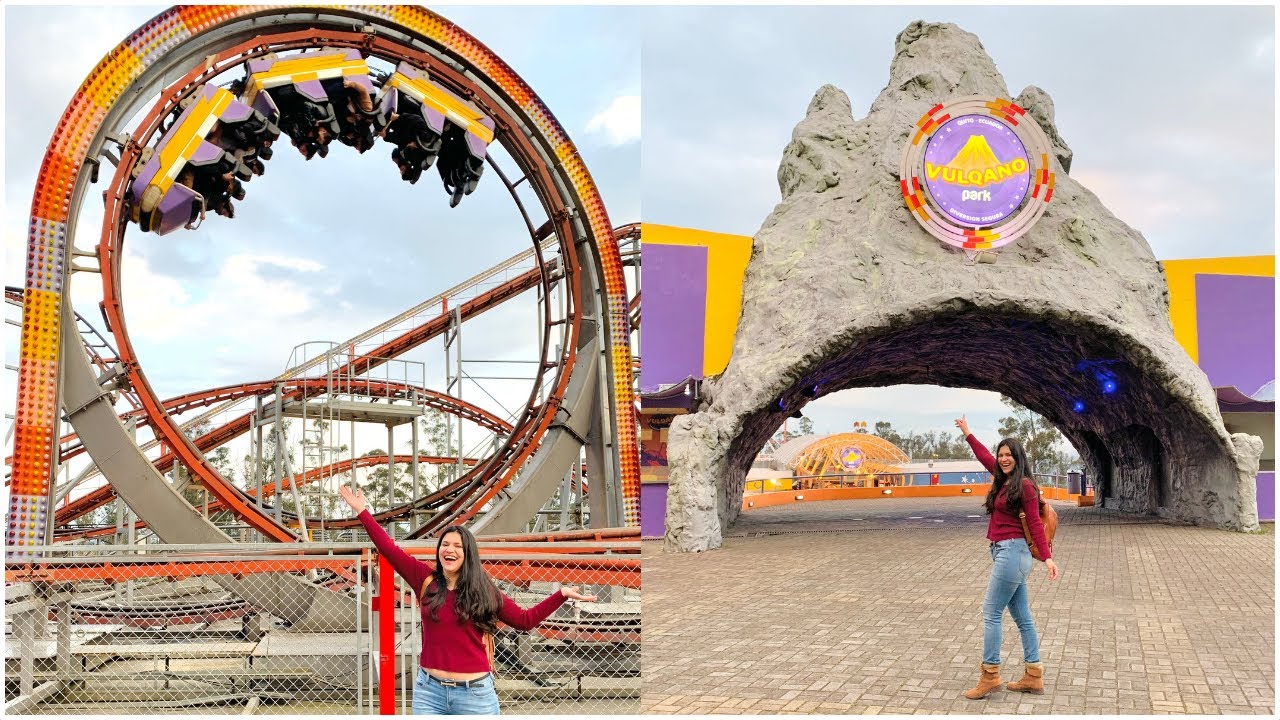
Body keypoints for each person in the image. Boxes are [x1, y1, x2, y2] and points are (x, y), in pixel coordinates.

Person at [339, 485, 597, 715]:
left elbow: (524, 620)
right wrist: (363, 511)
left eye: (457, 547)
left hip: (474, 695)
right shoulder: (425, 580)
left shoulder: (485, 591)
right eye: (445, 545)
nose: (449, 550)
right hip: (430, 693)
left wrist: (560, 595)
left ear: (467, 554)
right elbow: (389, 549)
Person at [954, 415, 1060, 699]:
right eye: (1001, 455)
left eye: (1008, 455)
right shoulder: (1004, 480)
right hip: (1008, 553)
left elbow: (1036, 524)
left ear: (1018, 457)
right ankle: (1033, 675)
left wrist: (1048, 557)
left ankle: (990, 675)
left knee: (991, 613)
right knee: (1023, 617)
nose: (1003, 459)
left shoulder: (1024, 485)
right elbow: (983, 456)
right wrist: (968, 433)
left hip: (1013, 553)